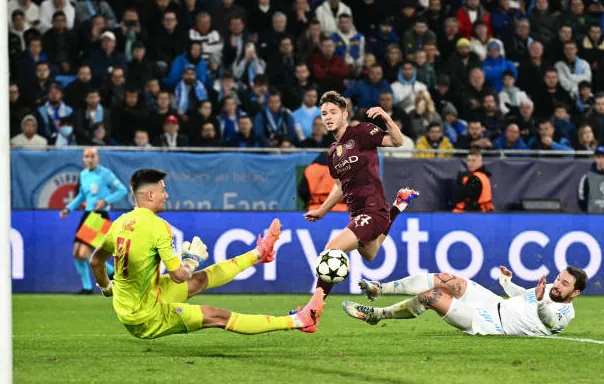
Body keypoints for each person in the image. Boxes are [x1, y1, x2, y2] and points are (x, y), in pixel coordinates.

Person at [89, 168, 324, 339]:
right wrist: (191, 260)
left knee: (201, 280)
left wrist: (107, 289)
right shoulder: (158, 226)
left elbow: (96, 261)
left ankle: (258, 253)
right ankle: (299, 321)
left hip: (143, 295)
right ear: (150, 195)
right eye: (163, 190)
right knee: (218, 316)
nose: (167, 195)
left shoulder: (120, 222)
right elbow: (180, 276)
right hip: (145, 315)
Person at [291, 91, 420, 332]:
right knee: (370, 255)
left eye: (332, 112)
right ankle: (399, 205)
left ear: (344, 114)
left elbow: (397, 142)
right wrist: (322, 210)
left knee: (331, 250)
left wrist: (385, 118)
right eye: (323, 114)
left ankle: (311, 313)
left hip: (371, 210)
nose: (327, 117)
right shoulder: (332, 152)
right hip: (358, 212)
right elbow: (339, 186)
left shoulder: (361, 132)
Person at [344, 265, 587, 337]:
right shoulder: (546, 291)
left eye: (564, 284)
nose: (557, 285)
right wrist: (505, 283)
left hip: (492, 324)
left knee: (432, 297)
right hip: (493, 303)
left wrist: (541, 300)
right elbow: (522, 297)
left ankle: (376, 315)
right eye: (558, 279)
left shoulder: (566, 314)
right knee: (446, 279)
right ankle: (379, 289)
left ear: (575, 294)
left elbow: (547, 317)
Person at [60, 147, 128, 294]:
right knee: (76, 254)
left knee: (84, 254)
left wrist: (106, 201)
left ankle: (112, 274)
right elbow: (82, 196)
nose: (89, 159)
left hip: (100, 215)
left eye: (92, 156)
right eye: (86, 156)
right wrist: (68, 208)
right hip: (87, 214)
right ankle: (87, 287)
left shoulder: (105, 174)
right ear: (83, 159)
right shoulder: (83, 174)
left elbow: (122, 190)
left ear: (97, 158)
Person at [578, 146, 604, 213]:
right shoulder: (587, 177)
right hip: (593, 217)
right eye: (598, 157)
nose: (601, 160)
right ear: (595, 158)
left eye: (603, 157)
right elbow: (581, 198)